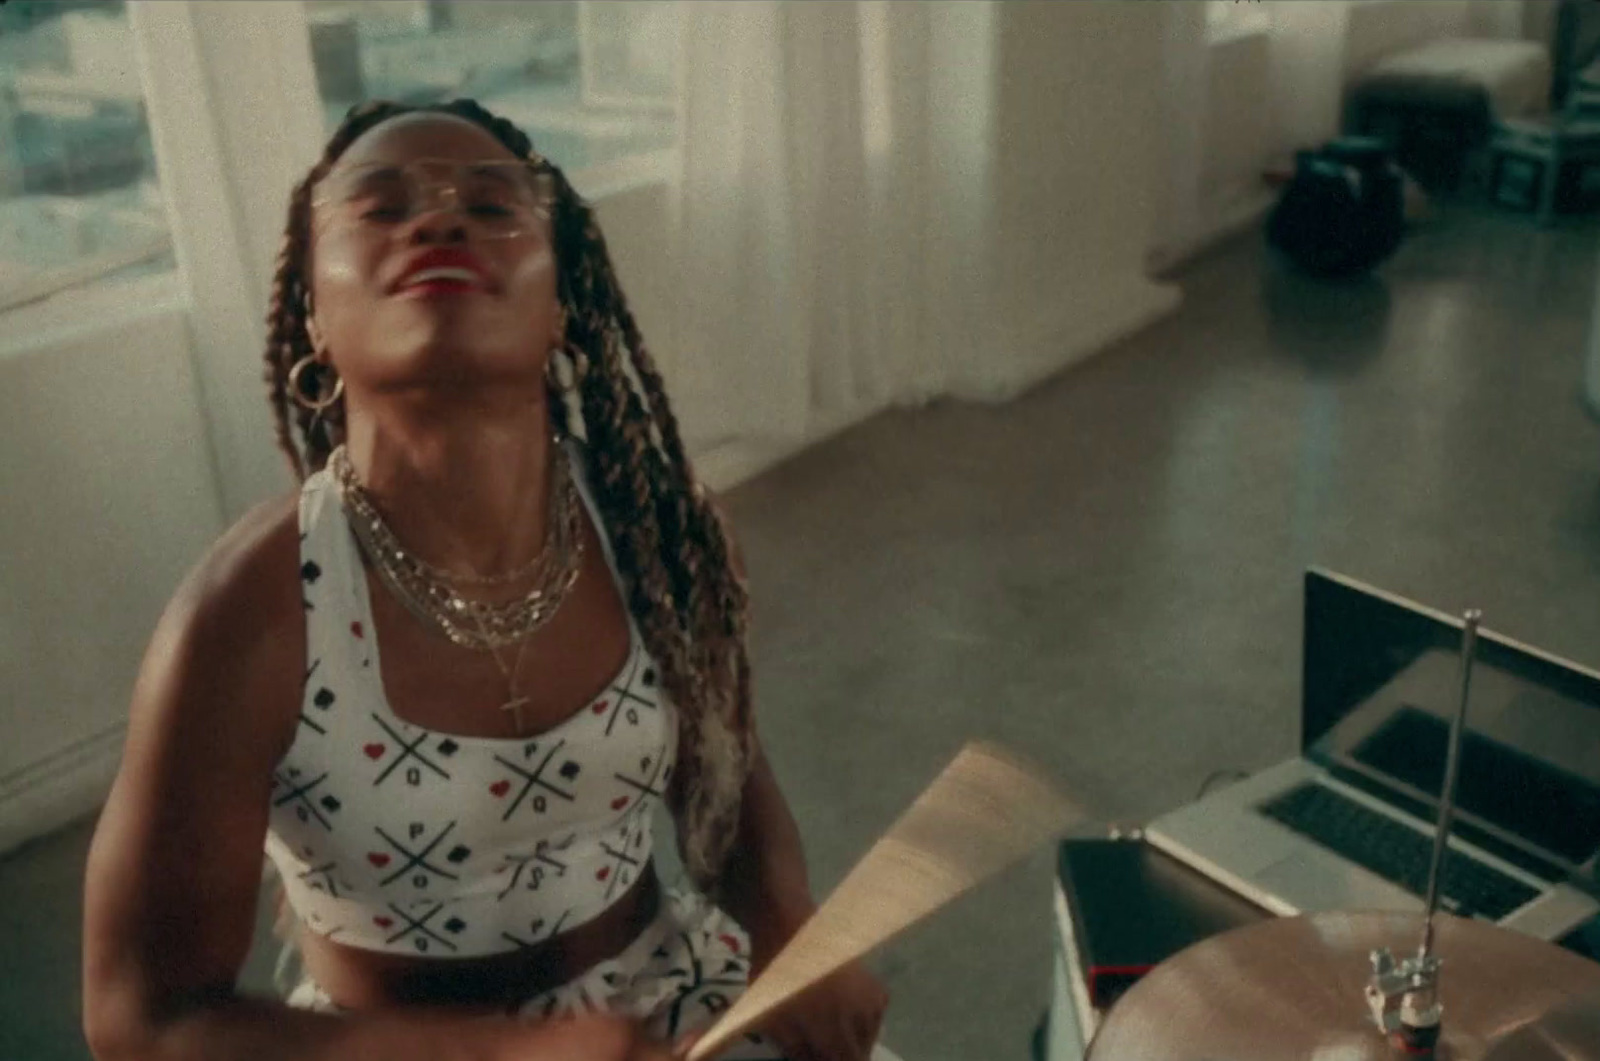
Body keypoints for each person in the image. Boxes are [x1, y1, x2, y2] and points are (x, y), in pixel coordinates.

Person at [81, 98, 889, 1061]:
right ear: (313, 318)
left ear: (559, 310)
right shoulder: (246, 617)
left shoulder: (661, 531)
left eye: (495, 206)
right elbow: (145, 1019)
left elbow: (730, 793)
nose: (439, 220)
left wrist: (790, 928)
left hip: (664, 1010)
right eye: (381, 208)